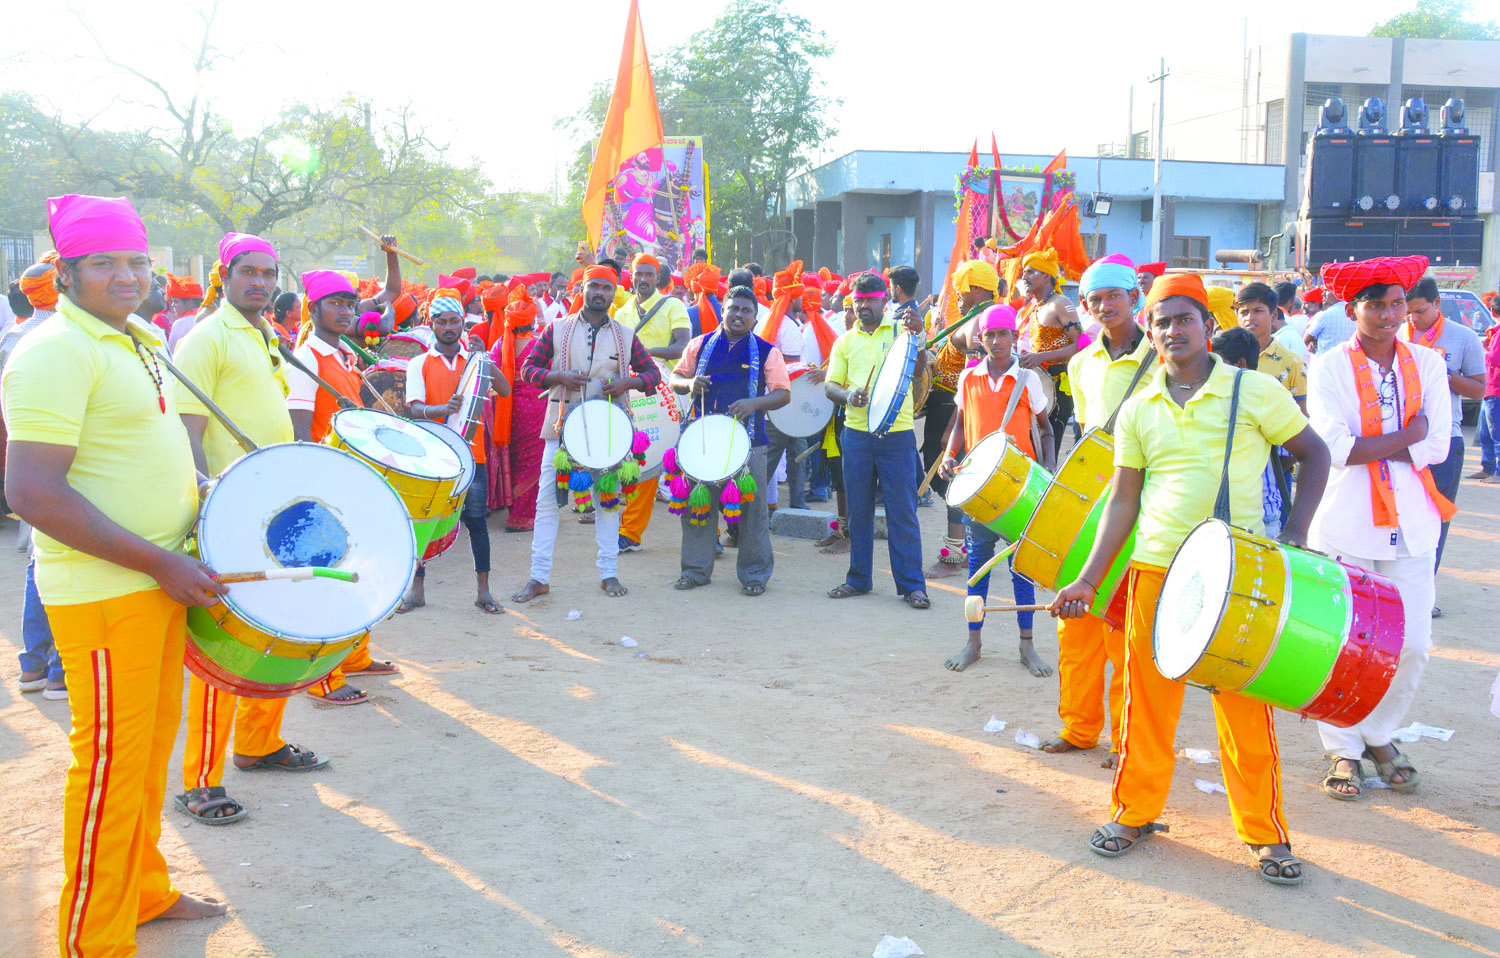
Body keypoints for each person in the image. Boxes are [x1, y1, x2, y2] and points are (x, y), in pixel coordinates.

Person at [4, 193, 230, 954]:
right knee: (106, 767)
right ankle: (93, 940)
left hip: (156, 582)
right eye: (105, 262)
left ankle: (142, 890)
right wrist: (162, 560)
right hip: (107, 593)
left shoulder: (132, 337)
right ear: (64, 271)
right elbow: (32, 492)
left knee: (144, 753)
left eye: (137, 260)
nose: (129, 275)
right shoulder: (54, 351)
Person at [1051, 272, 1330, 886]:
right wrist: (1088, 581)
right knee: (1146, 703)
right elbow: (1123, 503)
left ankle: (1265, 833)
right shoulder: (1139, 409)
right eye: (1161, 322)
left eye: (1184, 319)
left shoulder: (1252, 392)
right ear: (1149, 333)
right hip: (1155, 571)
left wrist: (1299, 532)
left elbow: (1315, 454)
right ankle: (1135, 813)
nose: (1172, 330)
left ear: (1209, 326)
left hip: (1240, 574)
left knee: (1245, 708)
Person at [174, 231, 330, 826]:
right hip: (228, 512)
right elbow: (187, 432)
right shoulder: (206, 338)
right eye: (248, 273)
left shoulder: (264, 332)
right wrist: (211, 499)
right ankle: (201, 781)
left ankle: (260, 744)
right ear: (224, 275)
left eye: (269, 274)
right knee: (225, 649)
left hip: (271, 504)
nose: (261, 283)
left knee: (277, 631)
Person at [1309, 256, 1453, 801]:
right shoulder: (1329, 368)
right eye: (1377, 305)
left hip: (1413, 524)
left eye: (1398, 303)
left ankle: (1378, 734)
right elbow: (1337, 449)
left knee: (1413, 644)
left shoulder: (1429, 364)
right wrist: (1406, 435)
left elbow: (1437, 444)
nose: (1391, 314)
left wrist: (1381, 443)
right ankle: (1343, 750)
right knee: (1349, 644)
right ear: (1353, 310)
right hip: (1345, 522)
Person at [1039, 256, 1155, 767]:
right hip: (1092, 505)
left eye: (1115, 296)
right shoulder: (1080, 362)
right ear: (1083, 306)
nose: (1105, 306)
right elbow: (1086, 435)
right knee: (1076, 623)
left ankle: (1126, 738)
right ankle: (1079, 728)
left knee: (1121, 627)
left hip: (1145, 506)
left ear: (1135, 298)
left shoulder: (1164, 355)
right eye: (1095, 299)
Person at [512, 265, 663, 603]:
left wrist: (628, 382)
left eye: (607, 289)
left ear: (613, 293)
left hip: (610, 430)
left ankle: (608, 573)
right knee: (547, 504)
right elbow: (528, 370)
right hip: (562, 429)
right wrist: (558, 376)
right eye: (594, 286)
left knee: (607, 503)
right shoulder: (557, 329)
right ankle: (539, 578)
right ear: (582, 288)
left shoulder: (626, 335)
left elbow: (652, 374)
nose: (600, 293)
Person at [283, 269, 400, 705]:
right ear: (312, 309)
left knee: (357, 571)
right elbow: (299, 430)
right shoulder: (307, 358)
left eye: (350, 304)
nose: (346, 311)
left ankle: (354, 655)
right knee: (328, 581)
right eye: (335, 303)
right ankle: (322, 678)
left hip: (349, 476)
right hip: (324, 481)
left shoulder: (345, 354)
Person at [939, 304, 1053, 674]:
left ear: (1014, 337)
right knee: (978, 566)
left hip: (1020, 489)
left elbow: (1046, 428)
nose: (997, 341)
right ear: (980, 340)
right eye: (990, 335)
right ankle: (973, 642)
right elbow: (960, 423)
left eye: (1003, 334)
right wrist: (949, 454)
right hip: (978, 486)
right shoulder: (968, 378)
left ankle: (1027, 645)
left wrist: (1047, 471)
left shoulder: (1028, 379)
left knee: (1022, 568)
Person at [670, 285, 790, 593]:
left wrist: (754, 404)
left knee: (753, 512)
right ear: (723, 309)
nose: (738, 314)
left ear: (754, 316)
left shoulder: (767, 351)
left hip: (751, 444)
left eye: (746, 311)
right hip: (702, 440)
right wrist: (689, 383)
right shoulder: (699, 344)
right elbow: (674, 379)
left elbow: (783, 394)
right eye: (733, 308)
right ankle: (695, 571)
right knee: (699, 507)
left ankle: (755, 575)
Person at [823, 272, 930, 609]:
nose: (864, 306)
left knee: (903, 512)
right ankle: (858, 579)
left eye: (870, 300)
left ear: (885, 300)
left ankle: (913, 585)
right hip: (855, 435)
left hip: (897, 435)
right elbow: (830, 387)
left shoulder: (902, 332)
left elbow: (917, 371)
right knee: (859, 511)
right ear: (851, 303)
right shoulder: (844, 342)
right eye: (858, 301)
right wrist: (848, 394)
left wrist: (920, 337)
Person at [401, 288, 510, 615]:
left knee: (476, 523)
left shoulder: (476, 360)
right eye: (442, 322)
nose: (449, 327)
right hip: (432, 455)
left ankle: (484, 592)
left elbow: (504, 390)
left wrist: (486, 360)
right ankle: (416, 591)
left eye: (454, 321)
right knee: (425, 524)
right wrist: (442, 408)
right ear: (431, 324)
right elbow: (413, 409)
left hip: (472, 456)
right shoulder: (418, 363)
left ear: (463, 323)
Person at [1402, 277, 1485, 613]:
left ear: (1437, 305)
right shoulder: (1397, 334)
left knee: (1435, 517)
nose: (1412, 319)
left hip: (1444, 439)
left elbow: (1478, 390)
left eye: (1419, 311)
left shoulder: (1463, 337)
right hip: (1400, 438)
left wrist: (1442, 374)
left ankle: (1424, 593)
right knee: (1397, 514)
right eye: (1407, 312)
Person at [924, 260, 998, 578]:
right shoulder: (975, 317)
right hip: (949, 407)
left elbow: (973, 378)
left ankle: (956, 554)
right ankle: (970, 544)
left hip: (957, 411)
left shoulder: (980, 322)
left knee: (955, 478)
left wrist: (955, 427)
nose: (956, 294)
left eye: (961, 289)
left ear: (978, 289)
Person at [613, 253, 690, 553]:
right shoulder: (621, 314)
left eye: (649, 274)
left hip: (670, 391)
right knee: (644, 459)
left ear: (657, 278)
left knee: (683, 461)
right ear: (630, 278)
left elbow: (682, 346)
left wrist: (643, 353)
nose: (643, 279)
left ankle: (707, 528)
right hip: (635, 392)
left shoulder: (673, 305)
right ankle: (630, 532)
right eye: (638, 274)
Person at [490, 287, 548, 532]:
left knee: (513, 458)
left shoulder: (500, 346)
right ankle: (525, 515)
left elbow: (489, 376)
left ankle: (514, 511)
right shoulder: (539, 345)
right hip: (536, 408)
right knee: (533, 461)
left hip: (507, 409)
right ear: (532, 321)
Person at [1016, 249, 1081, 455]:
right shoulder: (1035, 306)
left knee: (1047, 450)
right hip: (1038, 382)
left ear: (1047, 276)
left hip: (1059, 386)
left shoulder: (1061, 304)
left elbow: (1081, 345)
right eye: (1023, 272)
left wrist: (1040, 357)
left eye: (1030, 272)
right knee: (1032, 447)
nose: (1024, 277)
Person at [756, 261, 809, 514]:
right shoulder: (788, 328)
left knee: (783, 454)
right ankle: (789, 505)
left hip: (768, 402)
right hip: (786, 402)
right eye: (800, 296)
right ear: (791, 298)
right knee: (782, 455)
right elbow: (790, 372)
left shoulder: (763, 320)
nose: (803, 300)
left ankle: (793, 503)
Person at [1235, 283, 1307, 410]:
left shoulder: (1292, 362)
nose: (1250, 318)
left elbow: (1301, 412)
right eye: (1244, 312)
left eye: (1257, 311)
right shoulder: (1225, 357)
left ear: (1273, 315)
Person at [1472, 321, 1500, 482]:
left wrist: (1483, 349)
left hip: (1495, 389)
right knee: (1486, 433)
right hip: (1490, 388)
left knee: (1495, 433)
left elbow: (1494, 360)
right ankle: (1488, 468)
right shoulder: (1494, 333)